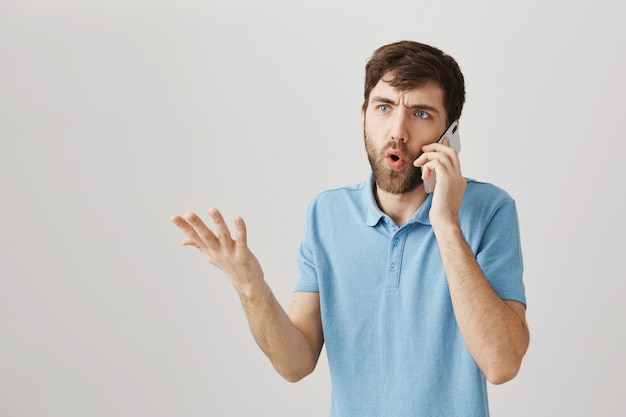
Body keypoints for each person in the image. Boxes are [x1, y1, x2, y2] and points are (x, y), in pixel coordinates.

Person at [170, 40, 529, 416]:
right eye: (384, 107)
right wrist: (249, 285)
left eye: (421, 114)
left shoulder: (490, 210)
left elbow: (501, 364)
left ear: (449, 134)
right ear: (363, 116)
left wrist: (446, 224)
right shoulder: (326, 214)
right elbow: (295, 364)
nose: (398, 131)